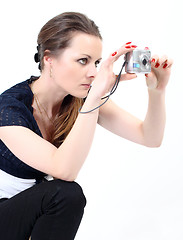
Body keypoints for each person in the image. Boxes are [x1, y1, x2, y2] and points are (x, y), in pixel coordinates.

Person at [0, 12, 173, 240]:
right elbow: (63, 170)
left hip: (33, 215)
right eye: (83, 60)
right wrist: (95, 98)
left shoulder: (80, 97)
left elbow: (150, 137)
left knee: (65, 196)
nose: (93, 73)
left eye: (97, 63)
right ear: (49, 59)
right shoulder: (9, 109)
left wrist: (156, 91)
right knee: (66, 195)